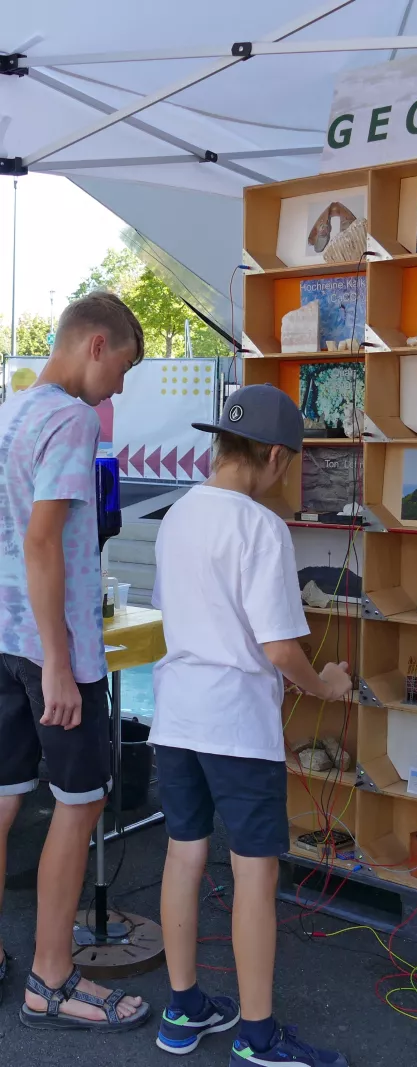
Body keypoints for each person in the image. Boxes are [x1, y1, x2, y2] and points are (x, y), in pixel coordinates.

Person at [150, 384, 352, 1066]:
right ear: (272, 455)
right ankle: (258, 1034)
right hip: (237, 727)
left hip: (175, 717)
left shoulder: (179, 515)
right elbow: (279, 648)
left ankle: (182, 1008)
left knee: (183, 854)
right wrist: (324, 684)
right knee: (255, 875)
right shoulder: (260, 526)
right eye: (289, 464)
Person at [0, 292, 149, 1030]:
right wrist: (59, 661)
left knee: (3, 797)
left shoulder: (11, 408)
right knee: (80, 800)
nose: (120, 387)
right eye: (122, 366)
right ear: (97, 343)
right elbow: (41, 542)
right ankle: (51, 979)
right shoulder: (70, 416)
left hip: (2, 634)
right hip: (51, 645)